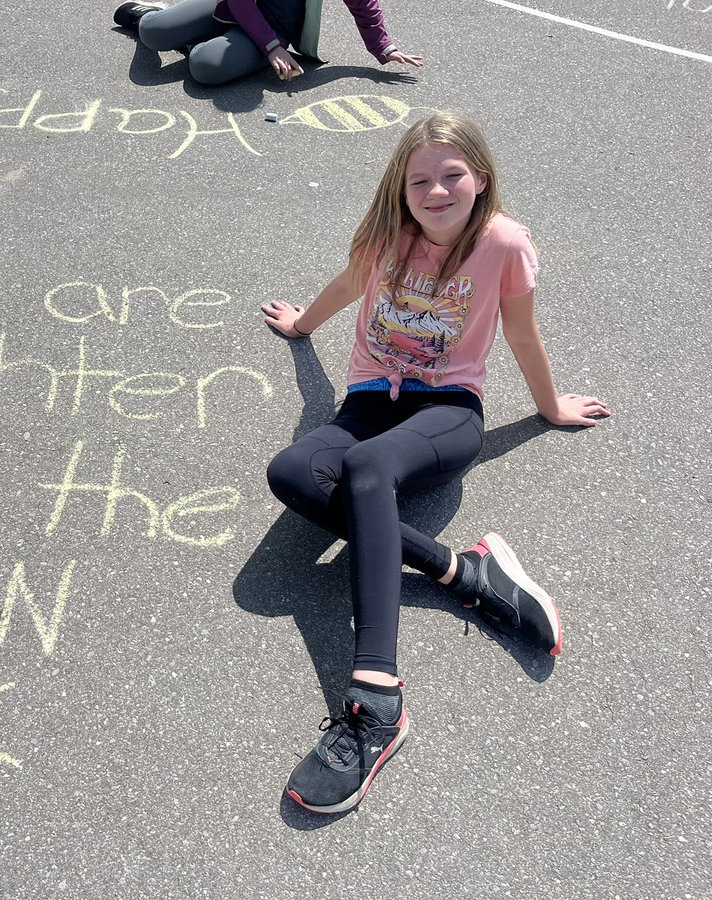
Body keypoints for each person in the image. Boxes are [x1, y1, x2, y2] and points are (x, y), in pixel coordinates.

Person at [259, 111, 609, 814]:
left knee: (366, 470)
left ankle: (376, 699)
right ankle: (462, 570)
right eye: (420, 180)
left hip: (446, 411)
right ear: (401, 186)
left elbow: (521, 332)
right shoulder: (386, 234)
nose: (437, 191)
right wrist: (301, 327)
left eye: (453, 175)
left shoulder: (503, 242)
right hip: (367, 403)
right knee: (290, 472)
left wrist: (548, 408)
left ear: (481, 177)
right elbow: (348, 284)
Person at [113, 0, 423, 85]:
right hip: (231, 7)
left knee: (204, 67)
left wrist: (384, 47)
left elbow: (363, 3)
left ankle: (205, 45)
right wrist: (272, 48)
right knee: (153, 33)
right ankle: (149, 14)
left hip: (271, 31)